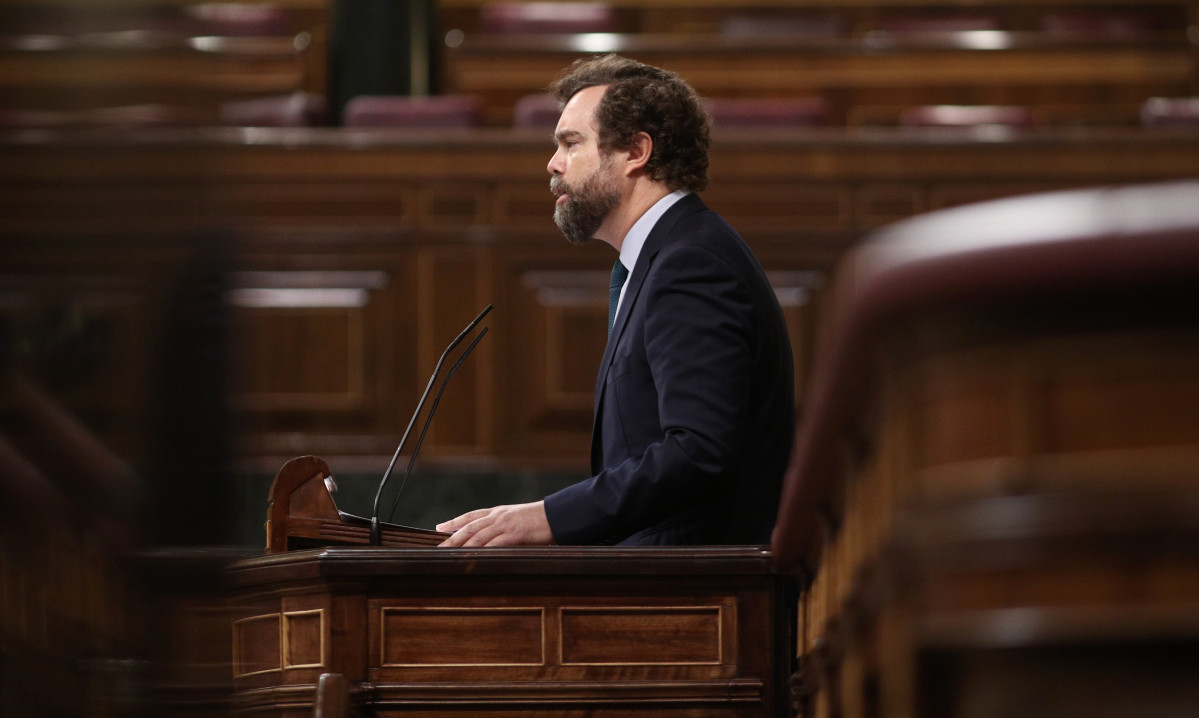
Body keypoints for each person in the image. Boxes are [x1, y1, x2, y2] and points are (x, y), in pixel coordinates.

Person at [437, 54, 795, 547]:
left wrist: (548, 518)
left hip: (698, 597)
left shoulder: (691, 263)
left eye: (570, 144)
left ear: (635, 151)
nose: (553, 163)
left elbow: (698, 451)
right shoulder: (665, 255)